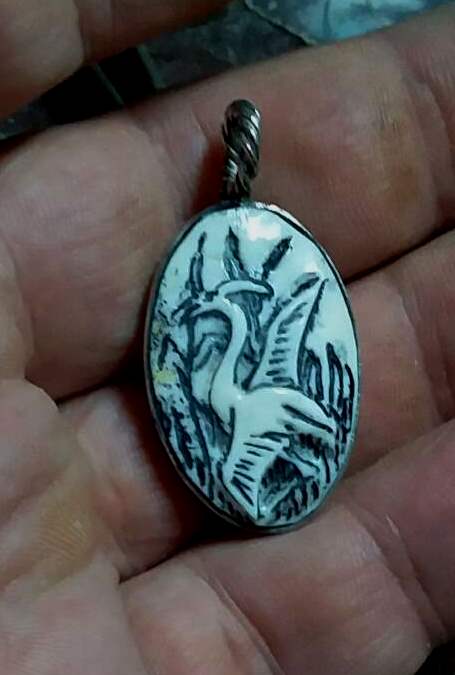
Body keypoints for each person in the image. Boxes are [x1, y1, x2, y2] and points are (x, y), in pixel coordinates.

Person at [0, 2, 453, 673]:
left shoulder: (251, 375)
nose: (219, 322)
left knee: (266, 454)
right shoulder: (236, 377)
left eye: (224, 316)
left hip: (268, 426)